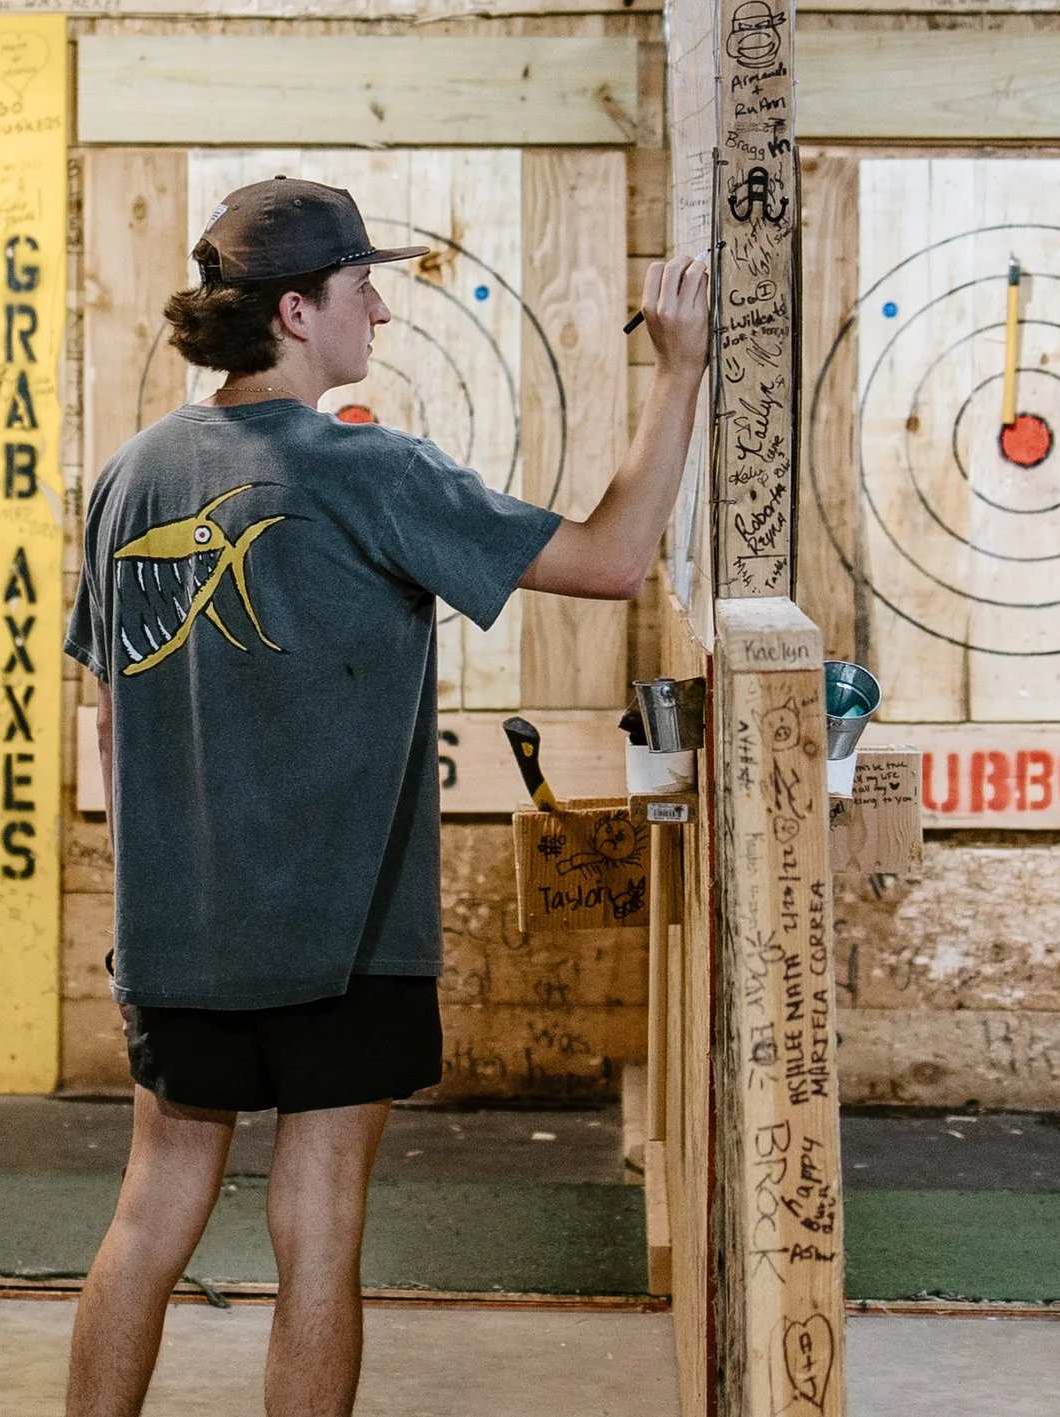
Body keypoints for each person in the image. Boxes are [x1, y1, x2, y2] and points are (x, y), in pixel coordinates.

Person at [61, 179, 711, 1417]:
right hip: (341, 935)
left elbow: (109, 717)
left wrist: (162, 895)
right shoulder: (372, 470)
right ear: (295, 312)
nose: (381, 313)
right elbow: (614, 559)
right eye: (363, 288)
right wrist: (678, 373)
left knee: (148, 1215)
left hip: (179, 933)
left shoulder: (130, 476)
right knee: (319, 1230)